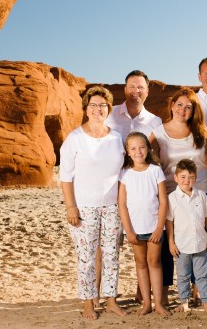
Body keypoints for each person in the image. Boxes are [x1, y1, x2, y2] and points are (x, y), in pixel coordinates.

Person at [60, 86, 127, 319]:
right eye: (93, 105)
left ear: (108, 109)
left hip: (112, 207)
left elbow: (123, 173)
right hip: (84, 208)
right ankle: (89, 303)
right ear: (86, 109)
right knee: (87, 257)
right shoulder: (74, 139)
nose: (98, 109)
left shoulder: (116, 138)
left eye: (102, 105)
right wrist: (71, 207)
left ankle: (110, 301)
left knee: (111, 255)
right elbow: (65, 177)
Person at [149, 87, 207, 305]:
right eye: (179, 104)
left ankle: (198, 290)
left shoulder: (202, 131)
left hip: (201, 192)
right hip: (172, 195)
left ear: (194, 110)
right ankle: (167, 291)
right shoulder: (158, 132)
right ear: (172, 106)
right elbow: (147, 163)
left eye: (189, 107)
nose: (183, 110)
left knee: (199, 243)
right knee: (172, 244)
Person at [118, 132, 170, 316]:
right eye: (133, 148)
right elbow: (122, 204)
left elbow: (163, 201)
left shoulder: (155, 171)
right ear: (127, 152)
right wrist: (128, 231)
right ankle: (146, 303)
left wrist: (159, 228)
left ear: (148, 149)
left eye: (142, 147)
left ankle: (158, 304)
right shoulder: (125, 174)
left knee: (154, 263)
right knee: (140, 264)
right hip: (135, 229)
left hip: (154, 228)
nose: (138, 151)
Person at [166, 159, 207, 313]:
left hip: (201, 243)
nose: (186, 181)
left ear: (195, 178)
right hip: (181, 245)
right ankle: (184, 302)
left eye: (190, 177)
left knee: (202, 275)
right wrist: (171, 243)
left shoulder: (201, 195)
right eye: (183, 177)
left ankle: (206, 303)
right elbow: (169, 222)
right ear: (175, 177)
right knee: (183, 275)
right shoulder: (172, 198)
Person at [106, 70, 162, 140]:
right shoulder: (108, 113)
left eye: (140, 87)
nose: (136, 91)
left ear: (147, 91)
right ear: (125, 90)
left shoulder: (155, 122)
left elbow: (156, 150)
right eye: (132, 87)